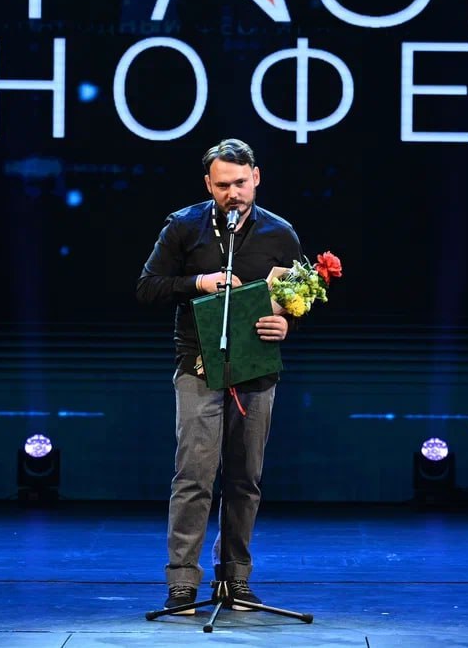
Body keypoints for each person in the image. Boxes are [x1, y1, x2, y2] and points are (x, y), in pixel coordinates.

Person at [136, 138, 302, 613]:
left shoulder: (281, 234)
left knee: (245, 477)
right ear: (208, 184)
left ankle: (235, 578)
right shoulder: (184, 226)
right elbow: (147, 288)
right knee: (195, 474)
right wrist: (199, 282)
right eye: (224, 185)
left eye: (241, 183)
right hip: (199, 364)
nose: (234, 193)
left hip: (256, 368)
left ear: (257, 178)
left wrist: (286, 323)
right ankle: (182, 582)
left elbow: (295, 299)